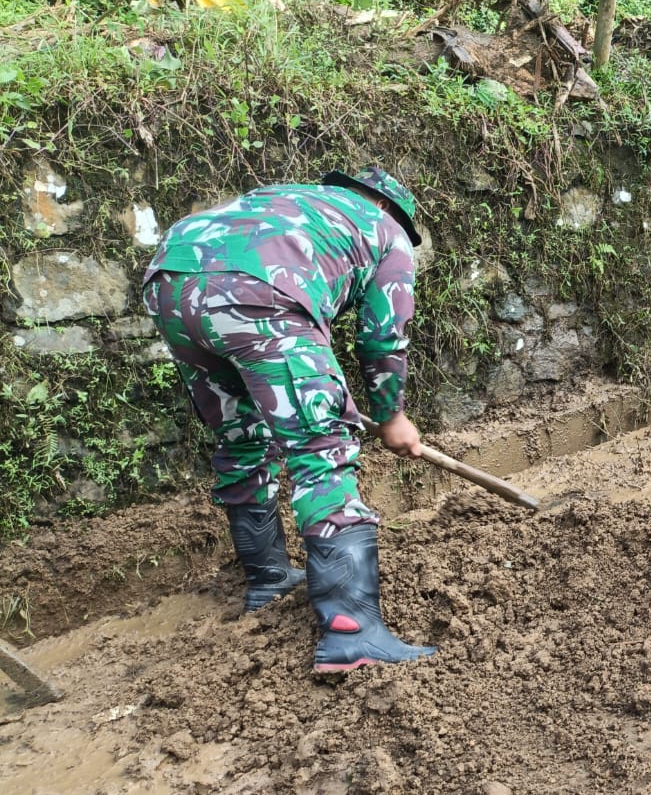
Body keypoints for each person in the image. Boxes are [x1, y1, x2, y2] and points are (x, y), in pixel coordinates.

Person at [142, 168, 437, 673]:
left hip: (170, 286)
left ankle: (268, 577)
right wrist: (392, 416)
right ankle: (354, 634)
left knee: (242, 440)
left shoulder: (285, 201)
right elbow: (385, 335)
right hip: (260, 293)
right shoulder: (384, 231)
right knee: (322, 450)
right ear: (391, 211)